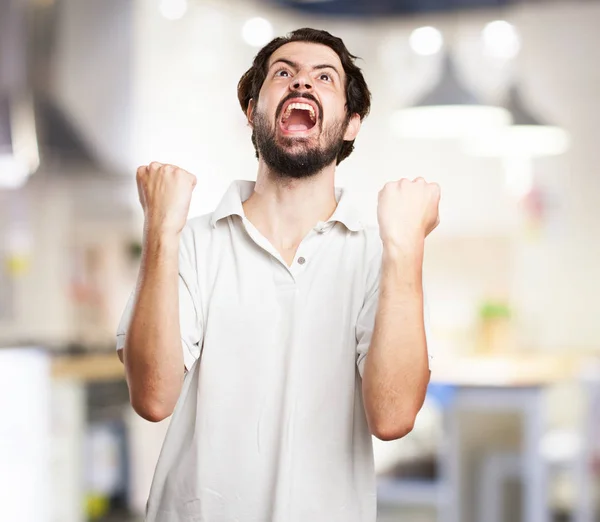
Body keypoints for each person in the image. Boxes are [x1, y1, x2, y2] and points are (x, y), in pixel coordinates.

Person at [116, 27, 440, 522]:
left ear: (352, 123)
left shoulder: (382, 254)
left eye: (324, 78)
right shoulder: (191, 242)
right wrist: (160, 230)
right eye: (283, 73)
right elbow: (154, 397)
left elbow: (393, 418)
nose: (302, 84)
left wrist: (406, 247)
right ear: (252, 111)